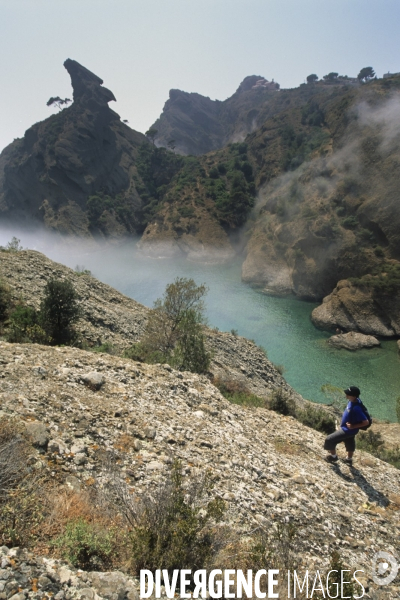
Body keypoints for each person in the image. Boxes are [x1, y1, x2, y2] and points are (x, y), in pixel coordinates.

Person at [324, 386, 369, 465]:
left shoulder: (356, 408)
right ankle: (349, 459)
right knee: (349, 442)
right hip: (351, 431)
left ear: (354, 396)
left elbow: (366, 422)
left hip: (348, 430)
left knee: (329, 439)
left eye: (348, 394)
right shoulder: (353, 401)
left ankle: (333, 457)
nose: (346, 395)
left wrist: (353, 426)